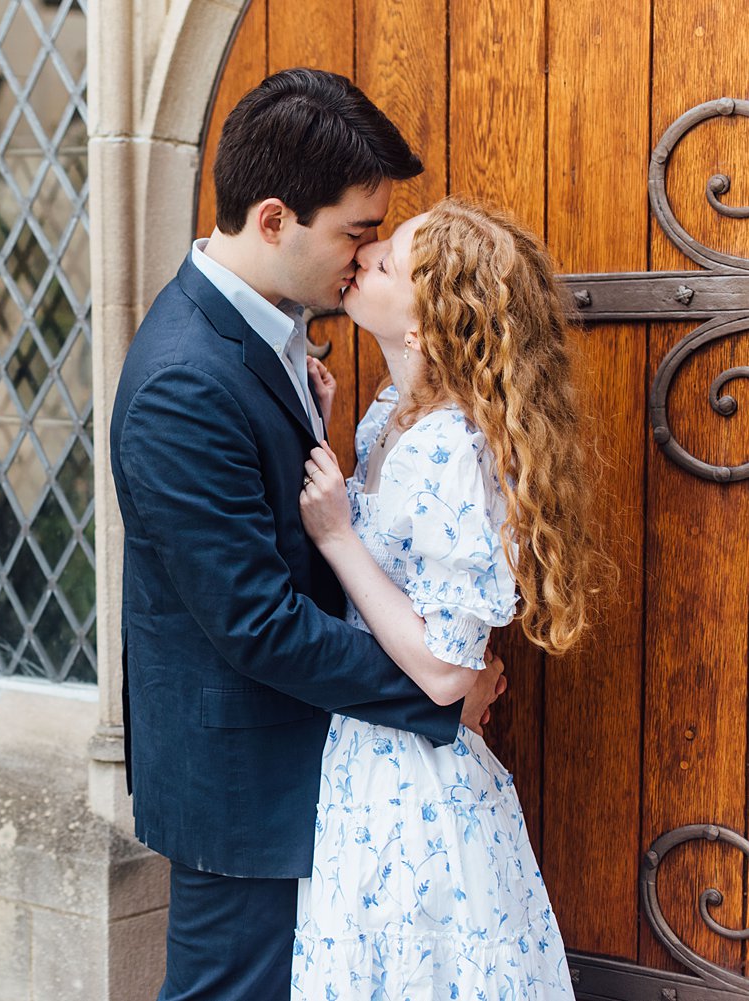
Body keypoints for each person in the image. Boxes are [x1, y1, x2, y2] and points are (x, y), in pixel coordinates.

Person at [109, 68, 506, 999]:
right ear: (277, 219)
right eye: (356, 234)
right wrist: (442, 695)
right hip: (241, 786)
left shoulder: (273, 328)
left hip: (317, 769)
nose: (363, 260)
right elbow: (256, 621)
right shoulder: (182, 383)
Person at [292, 196, 601, 998]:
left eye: (387, 261)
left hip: (411, 782)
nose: (363, 259)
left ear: (425, 325)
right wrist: (326, 437)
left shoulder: (447, 447)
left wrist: (336, 535)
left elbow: (442, 670)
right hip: (369, 754)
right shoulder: (397, 416)